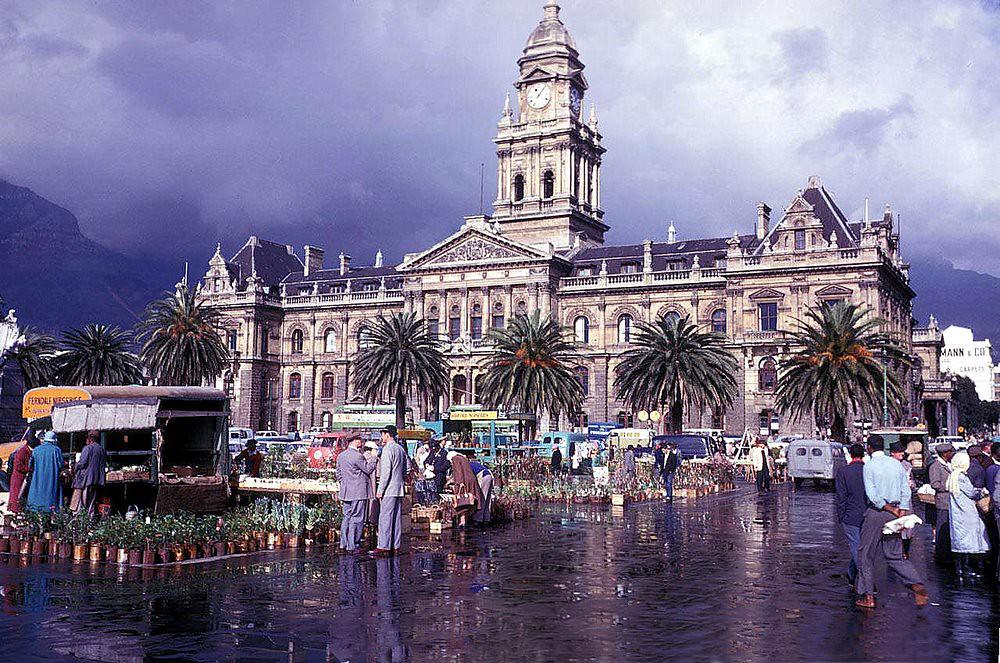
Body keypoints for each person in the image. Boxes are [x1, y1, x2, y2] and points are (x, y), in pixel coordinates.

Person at [855, 436, 928, 609]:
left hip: (877, 513)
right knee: (894, 555)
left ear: (869, 448)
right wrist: (900, 510)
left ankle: (868, 596)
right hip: (896, 512)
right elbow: (906, 490)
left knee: (865, 554)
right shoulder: (896, 464)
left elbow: (872, 496)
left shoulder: (869, 466)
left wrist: (888, 508)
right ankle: (916, 584)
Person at [947, 451, 990, 578]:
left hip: (958, 513)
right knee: (969, 541)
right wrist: (982, 491)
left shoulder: (952, 476)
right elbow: (972, 493)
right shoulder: (961, 477)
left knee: (959, 541)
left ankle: (960, 568)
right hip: (967, 514)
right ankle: (968, 568)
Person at [337, 435, 377, 552]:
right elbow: (368, 469)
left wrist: (346, 484)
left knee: (346, 517)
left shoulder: (341, 456)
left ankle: (343, 544)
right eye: (359, 439)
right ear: (354, 441)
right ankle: (352, 545)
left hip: (346, 492)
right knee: (357, 518)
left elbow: (338, 474)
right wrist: (374, 457)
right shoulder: (358, 456)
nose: (361, 441)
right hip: (358, 492)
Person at [835, 443, 867, 586]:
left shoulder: (843, 472)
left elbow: (841, 497)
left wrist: (841, 515)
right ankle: (851, 574)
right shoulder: (868, 470)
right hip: (867, 513)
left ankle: (865, 578)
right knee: (862, 546)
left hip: (850, 514)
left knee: (855, 547)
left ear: (851, 455)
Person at [375, 425, 409, 555]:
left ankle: (383, 546)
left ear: (387, 434)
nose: (381, 437)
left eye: (382, 434)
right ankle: (395, 546)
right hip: (399, 488)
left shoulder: (387, 450)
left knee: (385, 518)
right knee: (396, 518)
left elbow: (386, 472)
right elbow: (407, 469)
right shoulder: (400, 449)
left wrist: (380, 490)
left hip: (389, 489)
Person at [25, 431, 64, 512]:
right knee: (51, 504)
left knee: (36, 505)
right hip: (52, 480)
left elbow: (30, 465)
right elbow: (61, 465)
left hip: (37, 480)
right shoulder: (56, 450)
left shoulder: (36, 450)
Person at [72, 430, 108, 518]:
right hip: (97, 480)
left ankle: (82, 522)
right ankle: (90, 520)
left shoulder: (87, 448)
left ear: (90, 439)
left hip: (86, 479)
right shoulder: (102, 450)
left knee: (83, 503)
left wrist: (75, 466)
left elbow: (82, 463)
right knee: (91, 503)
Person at [889, 441, 916, 559]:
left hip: (907, 500)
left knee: (908, 526)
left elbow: (913, 481)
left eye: (902, 451)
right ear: (892, 453)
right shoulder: (888, 465)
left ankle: (905, 551)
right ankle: (895, 551)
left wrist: (912, 484)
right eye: (898, 452)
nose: (901, 453)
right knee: (895, 526)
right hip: (894, 499)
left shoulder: (907, 465)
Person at [928, 443, 955, 560]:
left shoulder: (948, 464)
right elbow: (934, 484)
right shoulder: (936, 466)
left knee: (948, 528)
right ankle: (941, 554)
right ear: (944, 454)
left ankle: (947, 552)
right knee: (942, 529)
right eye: (950, 452)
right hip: (943, 502)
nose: (952, 454)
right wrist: (949, 486)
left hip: (950, 501)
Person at [8, 430, 38, 514]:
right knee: (17, 495)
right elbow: (17, 465)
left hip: (23, 477)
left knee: (21, 496)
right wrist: (29, 469)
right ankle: (15, 511)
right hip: (19, 478)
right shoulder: (22, 451)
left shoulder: (27, 451)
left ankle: (20, 510)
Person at [469, 455, 493, 524]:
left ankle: (478, 519)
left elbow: (471, 478)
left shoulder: (468, 465)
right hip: (489, 476)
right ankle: (486, 518)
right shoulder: (476, 464)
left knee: (482, 498)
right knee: (487, 498)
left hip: (484, 477)